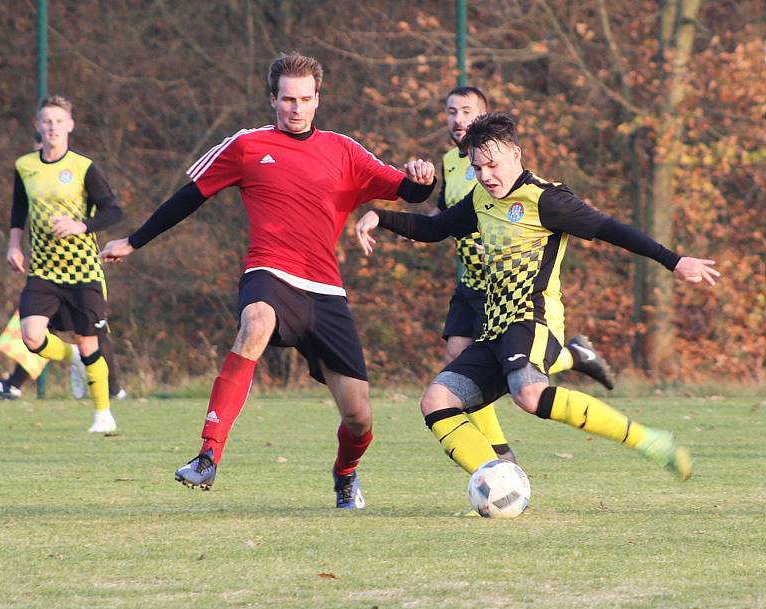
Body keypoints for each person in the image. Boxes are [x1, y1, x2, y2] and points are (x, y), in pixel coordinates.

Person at [100, 52, 436, 508]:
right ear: (272, 100)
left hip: (325, 292)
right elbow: (188, 197)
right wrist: (135, 242)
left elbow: (408, 191)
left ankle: (345, 475)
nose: (295, 108)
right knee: (255, 323)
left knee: (359, 417)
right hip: (269, 271)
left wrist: (423, 179)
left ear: (318, 99)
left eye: (304, 99)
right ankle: (207, 455)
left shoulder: (344, 150)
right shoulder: (246, 146)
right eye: (286, 99)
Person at [356, 112, 720, 490]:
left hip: (532, 319)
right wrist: (378, 217)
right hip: (494, 328)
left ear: (515, 154)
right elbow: (435, 228)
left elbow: (610, 228)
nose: (486, 176)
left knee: (528, 395)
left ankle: (649, 441)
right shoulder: (481, 197)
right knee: (436, 401)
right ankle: (500, 484)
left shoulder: (547, 199)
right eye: (478, 168)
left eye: (493, 165)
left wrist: (674, 261)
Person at [433, 86, 615, 465]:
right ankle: (500, 461)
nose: (458, 119)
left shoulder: (522, 181)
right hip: (471, 281)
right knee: (455, 359)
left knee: (517, 383)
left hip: (506, 290)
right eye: (451, 111)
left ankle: (502, 457)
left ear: (482, 116)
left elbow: (591, 223)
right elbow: (445, 219)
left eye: (466, 111)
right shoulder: (452, 163)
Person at [5, 94, 123, 432]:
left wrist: (81, 225)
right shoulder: (25, 165)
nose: (53, 127)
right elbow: (18, 209)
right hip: (43, 269)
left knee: (89, 343)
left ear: (70, 125)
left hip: (82, 269)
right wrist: (14, 244)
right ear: (38, 126)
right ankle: (69, 358)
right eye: (47, 121)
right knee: (30, 335)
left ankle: (103, 415)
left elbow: (114, 210)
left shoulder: (84, 168)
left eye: (59, 121)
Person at [0, 313, 126, 401]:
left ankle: (111, 388)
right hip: (51, 272)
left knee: (94, 327)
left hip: (84, 271)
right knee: (35, 322)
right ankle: (13, 384)